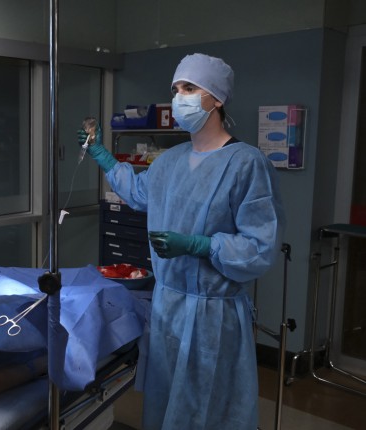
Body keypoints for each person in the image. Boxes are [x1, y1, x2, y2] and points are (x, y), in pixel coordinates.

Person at [79, 53, 285, 429]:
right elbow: (139, 192)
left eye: (189, 88)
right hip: (167, 309)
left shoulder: (245, 163)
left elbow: (259, 247)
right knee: (165, 407)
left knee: (209, 411)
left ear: (217, 98)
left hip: (213, 317)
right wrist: (102, 155)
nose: (179, 98)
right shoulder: (170, 161)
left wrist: (200, 245)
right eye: (175, 90)